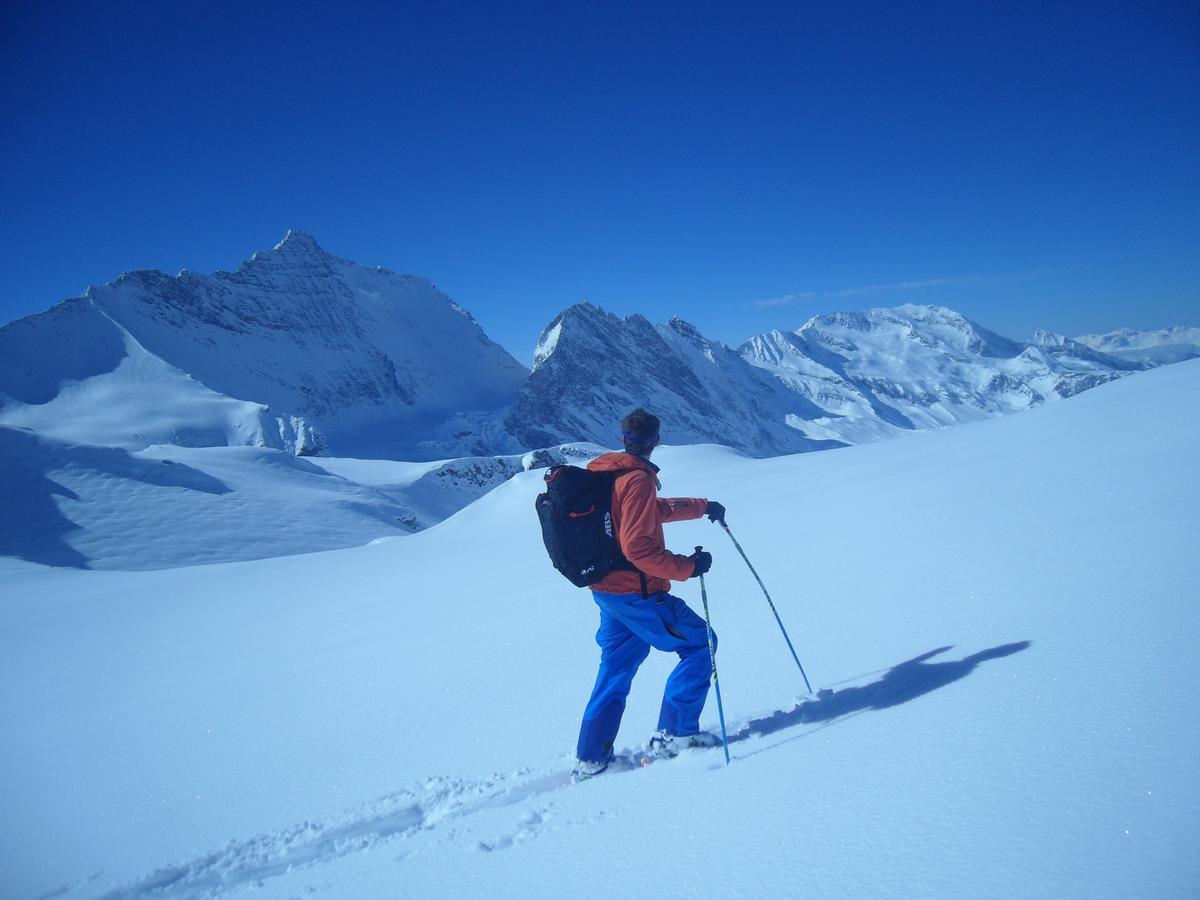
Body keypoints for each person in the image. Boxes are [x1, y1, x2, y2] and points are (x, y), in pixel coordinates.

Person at [573, 408, 728, 781]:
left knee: (616, 667)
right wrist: (688, 567)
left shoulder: (602, 471)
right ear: (656, 441)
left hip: (607, 591)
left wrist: (702, 507)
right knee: (700, 643)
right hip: (637, 593)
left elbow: (648, 513)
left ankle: (591, 756)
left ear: (623, 438)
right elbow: (639, 549)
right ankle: (676, 734)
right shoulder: (637, 480)